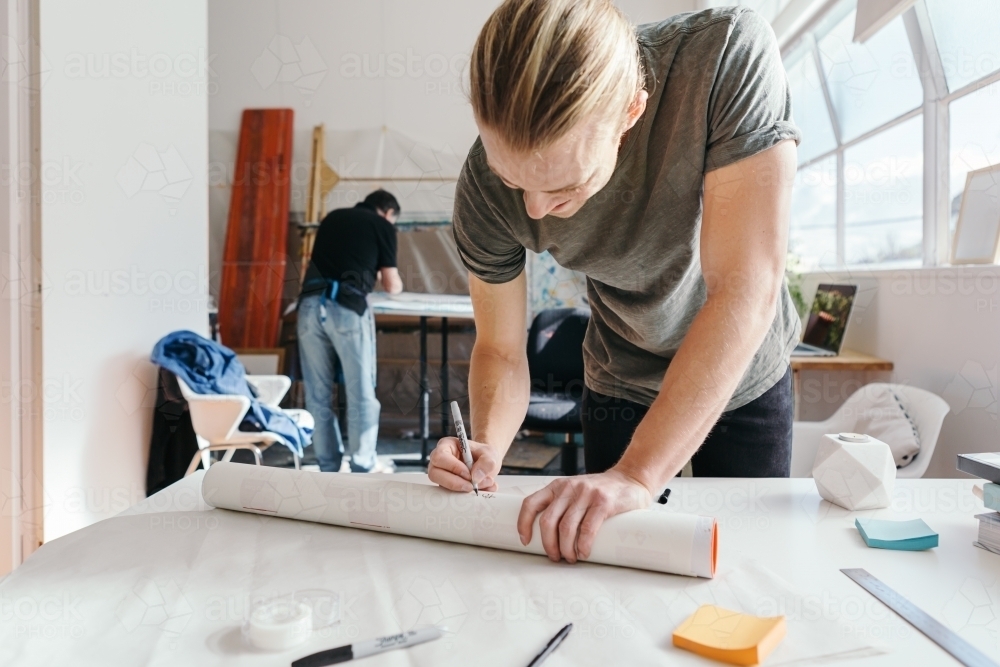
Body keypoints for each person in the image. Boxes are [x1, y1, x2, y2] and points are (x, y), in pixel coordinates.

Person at [428, 0, 801, 564]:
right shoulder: (482, 190)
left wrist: (638, 473)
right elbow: (501, 349)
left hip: (741, 370)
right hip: (619, 377)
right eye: (513, 178)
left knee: (745, 566)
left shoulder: (723, 54)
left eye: (565, 186)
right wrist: (486, 448)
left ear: (631, 110)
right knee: (610, 565)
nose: (537, 209)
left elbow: (744, 289)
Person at [297, 189, 403, 473]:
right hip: (346, 307)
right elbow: (392, 284)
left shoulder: (332, 218)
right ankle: (362, 466)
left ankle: (328, 467)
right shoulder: (383, 226)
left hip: (308, 306)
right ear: (388, 213)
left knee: (318, 395)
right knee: (361, 393)